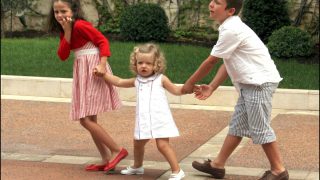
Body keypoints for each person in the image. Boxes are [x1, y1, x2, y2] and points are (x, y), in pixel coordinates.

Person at [181, 0, 289, 180]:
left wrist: (189, 83)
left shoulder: (231, 29)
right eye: (212, 0)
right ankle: (218, 165)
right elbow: (227, 59)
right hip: (250, 84)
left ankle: (279, 170)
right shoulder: (229, 27)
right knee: (238, 126)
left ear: (230, 10)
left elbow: (210, 62)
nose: (211, 4)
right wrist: (213, 87)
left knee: (260, 128)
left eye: (217, 2)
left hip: (259, 84)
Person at [47, 0, 128, 172]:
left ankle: (117, 150)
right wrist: (67, 32)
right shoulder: (66, 30)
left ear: (73, 10)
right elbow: (62, 55)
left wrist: (102, 65)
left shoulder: (81, 25)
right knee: (91, 119)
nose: (60, 15)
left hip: (93, 69)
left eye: (64, 11)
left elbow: (103, 42)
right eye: (56, 12)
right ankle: (106, 159)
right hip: (81, 69)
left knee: (84, 119)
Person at [94, 43, 185, 180]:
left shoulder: (161, 79)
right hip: (143, 120)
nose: (143, 66)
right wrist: (104, 75)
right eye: (140, 62)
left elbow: (177, 90)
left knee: (162, 145)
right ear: (135, 64)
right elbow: (119, 81)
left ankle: (177, 171)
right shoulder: (137, 80)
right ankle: (137, 166)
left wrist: (188, 88)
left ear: (156, 65)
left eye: (148, 63)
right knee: (138, 144)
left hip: (160, 119)